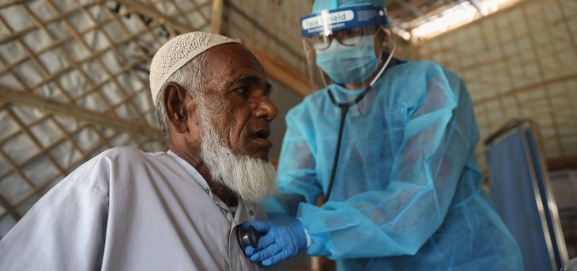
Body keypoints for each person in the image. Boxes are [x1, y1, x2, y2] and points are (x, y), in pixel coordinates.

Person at [242, 0, 525, 270]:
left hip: (458, 260)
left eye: (350, 33)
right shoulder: (310, 115)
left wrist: (308, 231)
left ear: (381, 34)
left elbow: (418, 199)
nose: (334, 46)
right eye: (322, 37)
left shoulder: (432, 89)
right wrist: (253, 213)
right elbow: (291, 189)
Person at [0, 32, 282, 271]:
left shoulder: (255, 215)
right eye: (242, 90)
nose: (270, 109)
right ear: (179, 108)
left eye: (265, 93)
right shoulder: (118, 177)